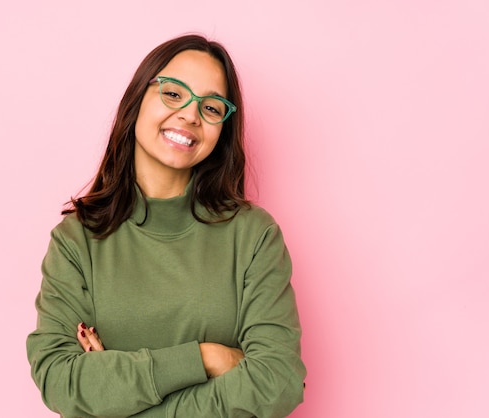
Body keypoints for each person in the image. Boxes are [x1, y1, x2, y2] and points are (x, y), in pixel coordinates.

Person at [26, 34, 306, 418]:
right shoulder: (78, 240)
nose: (190, 115)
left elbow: (278, 381)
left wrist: (115, 397)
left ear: (222, 127)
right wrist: (205, 358)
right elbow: (62, 381)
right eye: (174, 94)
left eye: (211, 106)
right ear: (138, 99)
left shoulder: (253, 235)